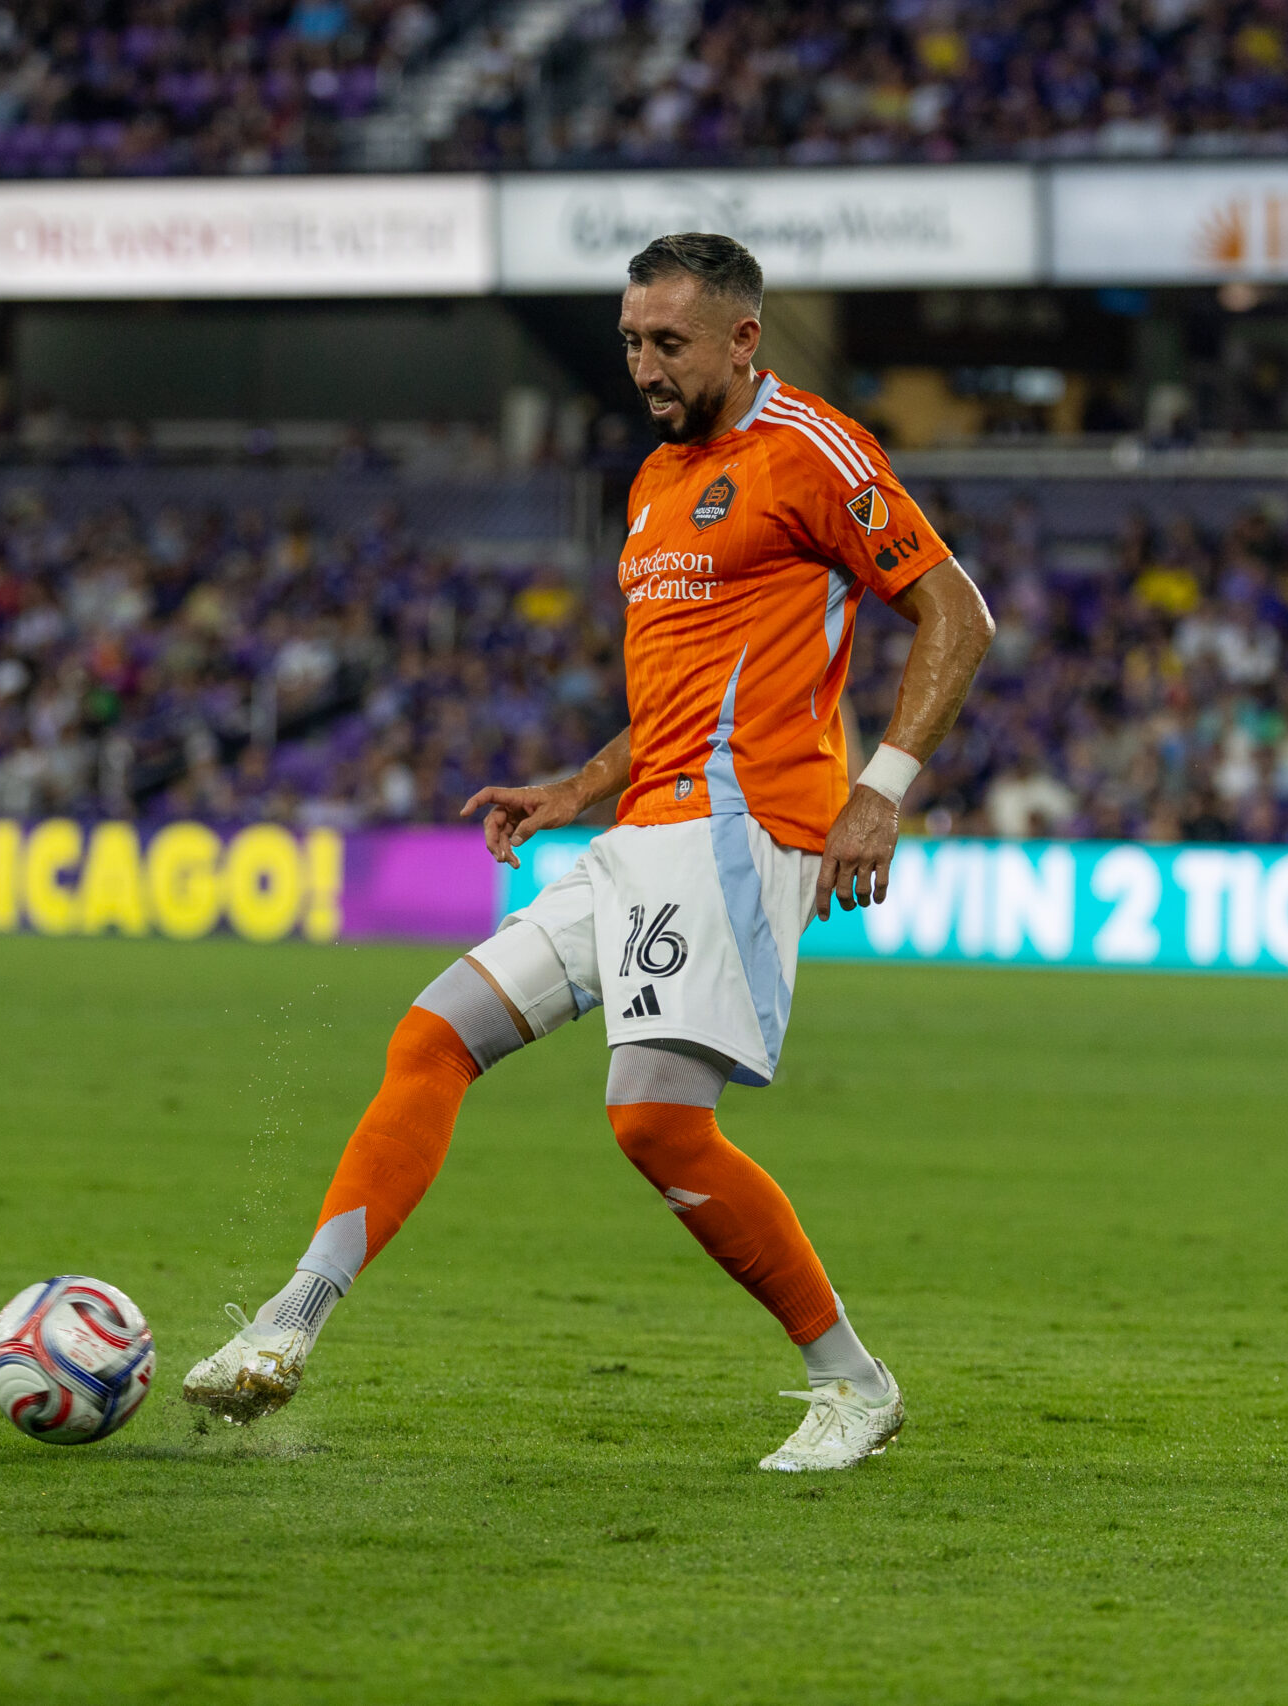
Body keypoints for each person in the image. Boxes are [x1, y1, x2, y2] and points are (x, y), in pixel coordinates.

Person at [182, 232, 995, 1471]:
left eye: (669, 341)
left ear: (743, 337)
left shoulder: (811, 449)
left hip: (736, 831)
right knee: (431, 1035)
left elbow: (956, 611)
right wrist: (576, 786)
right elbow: (679, 692)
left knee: (656, 1121)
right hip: (642, 826)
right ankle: (284, 1327)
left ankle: (852, 1383)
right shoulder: (656, 480)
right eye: (629, 341)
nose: (644, 366)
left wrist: (880, 790)